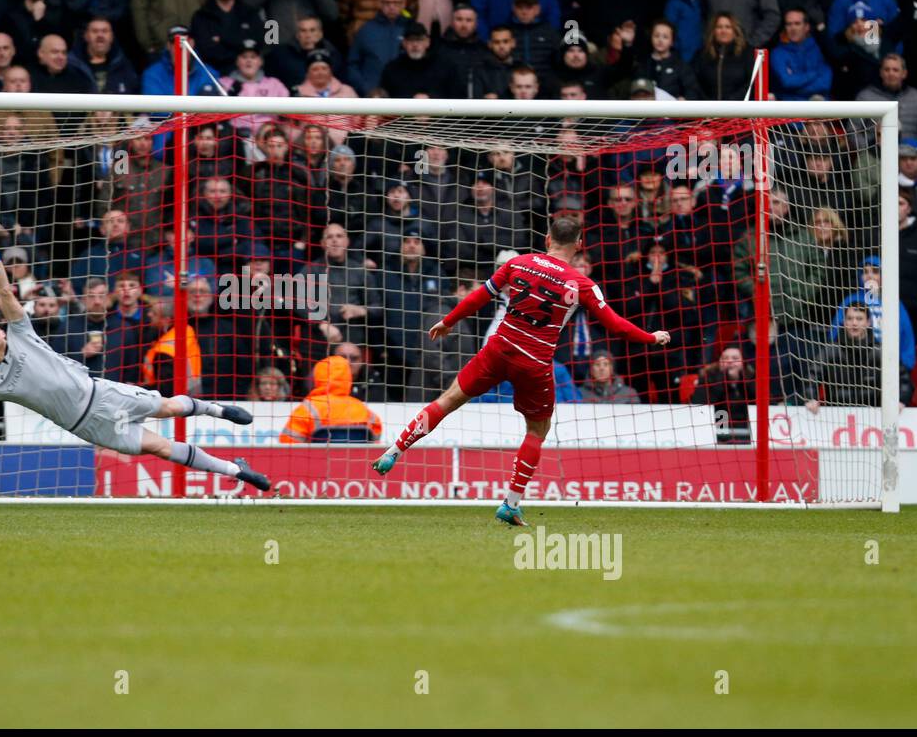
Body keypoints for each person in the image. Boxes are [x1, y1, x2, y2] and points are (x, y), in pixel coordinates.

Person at [372, 216, 671, 526]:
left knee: (449, 399)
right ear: (580, 245)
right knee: (537, 430)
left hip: (499, 348)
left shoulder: (520, 263)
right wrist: (652, 337)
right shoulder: (582, 284)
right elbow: (615, 325)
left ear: (546, 239)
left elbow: (480, 296)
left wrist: (449, 321)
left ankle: (394, 450)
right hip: (535, 362)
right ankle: (511, 503)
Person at [0, 217, 271, 492]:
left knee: (167, 407)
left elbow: (5, 291)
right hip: (89, 426)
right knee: (160, 447)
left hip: (102, 395)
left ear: (0, 329)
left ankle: (216, 410)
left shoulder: (21, 332)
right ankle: (237, 471)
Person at [279, 355, 382, 443]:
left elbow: (288, 444)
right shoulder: (363, 410)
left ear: (318, 377)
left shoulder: (307, 409)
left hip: (318, 465)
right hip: (355, 464)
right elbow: (375, 443)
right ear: (348, 377)